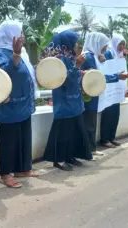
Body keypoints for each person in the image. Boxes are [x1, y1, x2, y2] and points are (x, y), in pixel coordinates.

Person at [0, 20, 39, 188]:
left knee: (24, 137)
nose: (22, 36)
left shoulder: (21, 52)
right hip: (8, 105)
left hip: (23, 103)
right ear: (10, 35)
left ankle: (22, 168)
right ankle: (5, 174)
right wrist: (16, 54)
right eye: (19, 32)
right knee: (8, 141)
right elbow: (5, 73)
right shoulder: (1, 52)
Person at [42, 30, 92, 171]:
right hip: (64, 101)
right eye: (75, 42)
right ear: (67, 43)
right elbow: (63, 80)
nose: (77, 45)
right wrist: (76, 66)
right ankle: (59, 159)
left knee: (72, 132)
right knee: (62, 132)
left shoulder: (71, 57)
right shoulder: (59, 59)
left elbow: (75, 77)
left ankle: (70, 156)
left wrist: (81, 71)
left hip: (74, 101)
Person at [81, 32, 128, 157]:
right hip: (88, 94)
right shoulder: (88, 57)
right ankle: (88, 150)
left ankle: (91, 149)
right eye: (103, 45)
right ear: (97, 43)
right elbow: (98, 76)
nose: (105, 48)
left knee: (91, 122)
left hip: (93, 93)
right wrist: (117, 76)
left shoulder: (95, 56)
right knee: (89, 123)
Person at [100, 34, 127, 148]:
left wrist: (125, 87)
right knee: (108, 114)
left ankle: (112, 137)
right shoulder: (108, 54)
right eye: (119, 44)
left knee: (116, 114)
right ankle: (105, 139)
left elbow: (123, 71)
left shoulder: (121, 56)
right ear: (115, 43)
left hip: (117, 89)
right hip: (109, 89)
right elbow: (103, 68)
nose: (121, 47)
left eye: (123, 44)